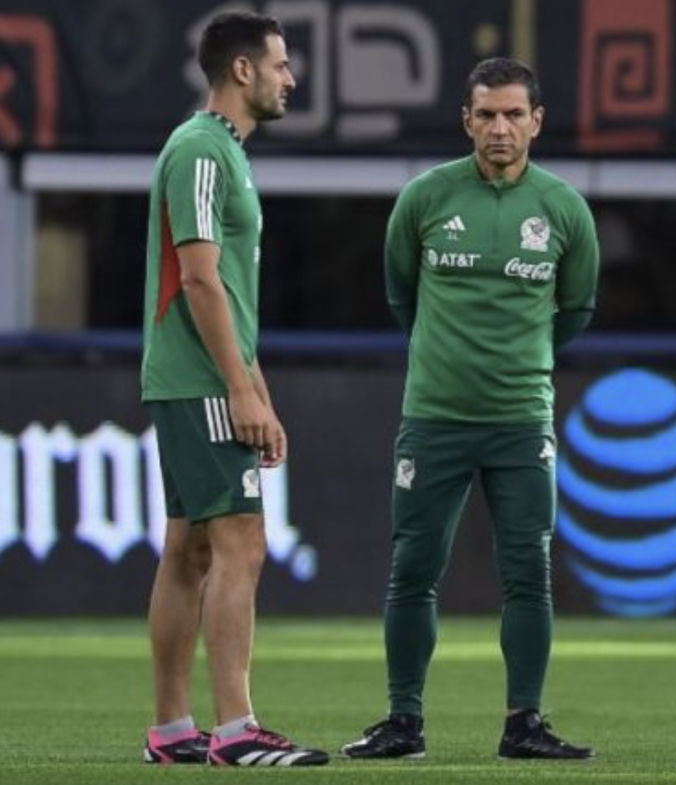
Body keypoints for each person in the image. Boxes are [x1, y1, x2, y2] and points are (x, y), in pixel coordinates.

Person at [341, 57, 599, 762]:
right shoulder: (425, 198)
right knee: (413, 569)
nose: (500, 128)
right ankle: (404, 721)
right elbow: (401, 295)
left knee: (529, 573)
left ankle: (524, 723)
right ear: (466, 121)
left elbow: (576, 308)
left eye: (514, 114)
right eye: (486, 115)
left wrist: (520, 361)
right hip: (434, 417)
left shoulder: (565, 209)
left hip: (521, 419)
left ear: (536, 121)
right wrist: (447, 357)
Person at [140, 11, 327, 767]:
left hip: (196, 378)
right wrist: (238, 392)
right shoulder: (201, 149)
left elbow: (229, 297)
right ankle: (237, 729)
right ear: (243, 70)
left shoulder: (221, 153)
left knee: (188, 548)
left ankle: (172, 729)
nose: (290, 79)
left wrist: (259, 389)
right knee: (241, 542)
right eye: (281, 65)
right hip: (199, 380)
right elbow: (199, 280)